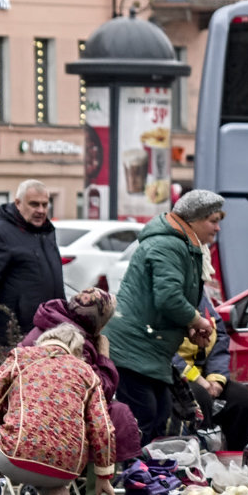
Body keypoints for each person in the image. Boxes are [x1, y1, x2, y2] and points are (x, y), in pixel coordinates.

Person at [0, 323, 118, 495]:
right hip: (68, 469)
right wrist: (103, 477)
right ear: (77, 351)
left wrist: (10, 417)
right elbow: (103, 428)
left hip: (18, 457)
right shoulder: (86, 372)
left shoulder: (21, 357)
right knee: (43, 449)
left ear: (43, 341)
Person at [104, 189, 219, 446]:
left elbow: (165, 303)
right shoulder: (169, 245)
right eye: (213, 220)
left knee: (159, 415)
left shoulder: (182, 245)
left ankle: (146, 479)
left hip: (149, 349)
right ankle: (132, 482)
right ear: (194, 219)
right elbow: (168, 297)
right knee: (143, 418)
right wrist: (196, 321)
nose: (217, 227)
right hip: (133, 348)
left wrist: (188, 326)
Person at [20, 287, 142, 463]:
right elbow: (98, 394)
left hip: (25, 408)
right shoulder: (75, 340)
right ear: (98, 324)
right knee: (115, 416)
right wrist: (104, 357)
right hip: (51, 417)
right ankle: (98, 486)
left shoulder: (49, 320)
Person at [0, 180, 64, 347]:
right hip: (16, 339)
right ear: (18, 203)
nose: (40, 210)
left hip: (50, 336)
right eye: (34, 204)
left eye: (45, 205)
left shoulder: (46, 233)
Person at [170, 286, 248, 451]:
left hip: (205, 377)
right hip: (173, 378)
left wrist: (216, 379)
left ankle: (240, 460)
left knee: (241, 399)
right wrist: (198, 379)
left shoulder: (200, 295)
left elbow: (220, 336)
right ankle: (203, 461)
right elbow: (165, 351)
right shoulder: (166, 297)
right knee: (199, 397)